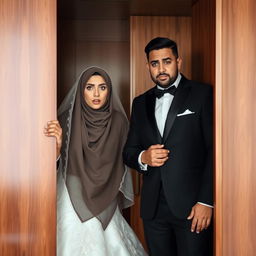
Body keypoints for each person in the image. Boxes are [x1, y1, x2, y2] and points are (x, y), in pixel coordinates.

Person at [123, 37, 213, 256]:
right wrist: (143, 157)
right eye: (155, 63)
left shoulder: (202, 94)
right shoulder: (140, 102)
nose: (161, 69)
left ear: (178, 61)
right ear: (148, 66)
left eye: (167, 61)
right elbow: (129, 152)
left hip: (193, 208)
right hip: (153, 209)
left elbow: (215, 151)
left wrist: (206, 202)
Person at [44, 67, 147, 256]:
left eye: (102, 87)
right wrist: (57, 147)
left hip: (106, 193)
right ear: (81, 90)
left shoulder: (119, 122)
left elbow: (125, 159)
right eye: (90, 87)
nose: (97, 93)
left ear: (110, 91)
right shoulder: (66, 119)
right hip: (72, 193)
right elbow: (51, 166)